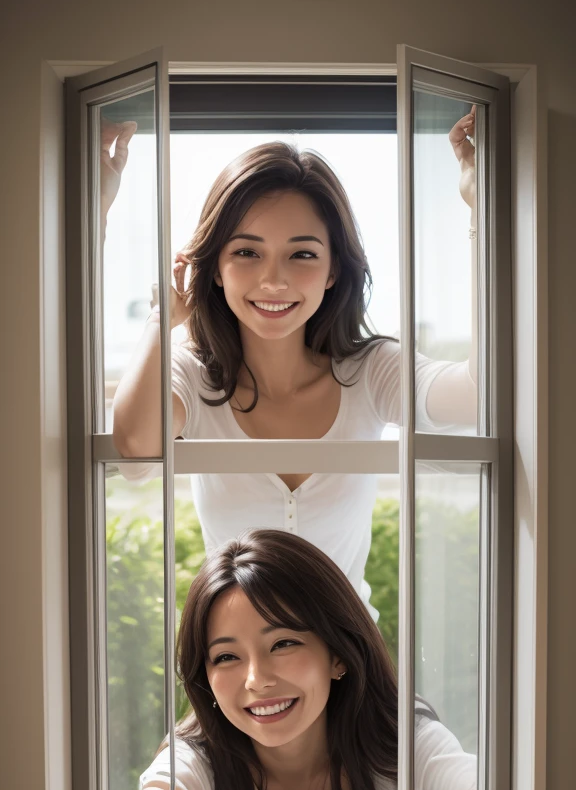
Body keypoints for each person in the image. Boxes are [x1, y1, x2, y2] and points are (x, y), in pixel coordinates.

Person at [110, 115, 477, 617]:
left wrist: (482, 208)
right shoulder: (192, 373)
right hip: (234, 667)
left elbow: (479, 391)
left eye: (301, 254)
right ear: (214, 269)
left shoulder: (372, 370)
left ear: (333, 272)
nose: (274, 281)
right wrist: (162, 317)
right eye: (246, 252)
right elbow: (135, 447)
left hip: (350, 666)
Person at [119, 529, 476, 790]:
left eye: (283, 644)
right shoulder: (197, 755)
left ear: (338, 655)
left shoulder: (393, 731)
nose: (257, 680)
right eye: (227, 657)